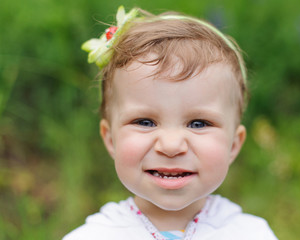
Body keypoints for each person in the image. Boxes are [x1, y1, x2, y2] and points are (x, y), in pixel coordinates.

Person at [63, 5, 278, 240]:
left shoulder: (250, 234)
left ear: (234, 145)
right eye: (145, 122)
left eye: (198, 123)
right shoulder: (95, 236)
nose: (171, 145)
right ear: (110, 138)